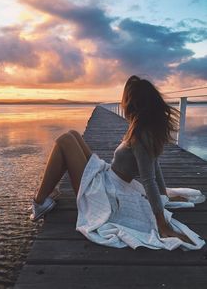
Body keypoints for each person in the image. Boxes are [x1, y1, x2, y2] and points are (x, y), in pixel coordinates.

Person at [30, 75, 205, 250]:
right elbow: (155, 166)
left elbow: (149, 178)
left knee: (64, 141)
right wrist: (163, 194)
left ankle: (39, 202)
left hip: (107, 192)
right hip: (107, 176)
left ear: (134, 104)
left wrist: (161, 223)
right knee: (73, 135)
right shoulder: (147, 128)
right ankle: (45, 196)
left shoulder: (141, 135)